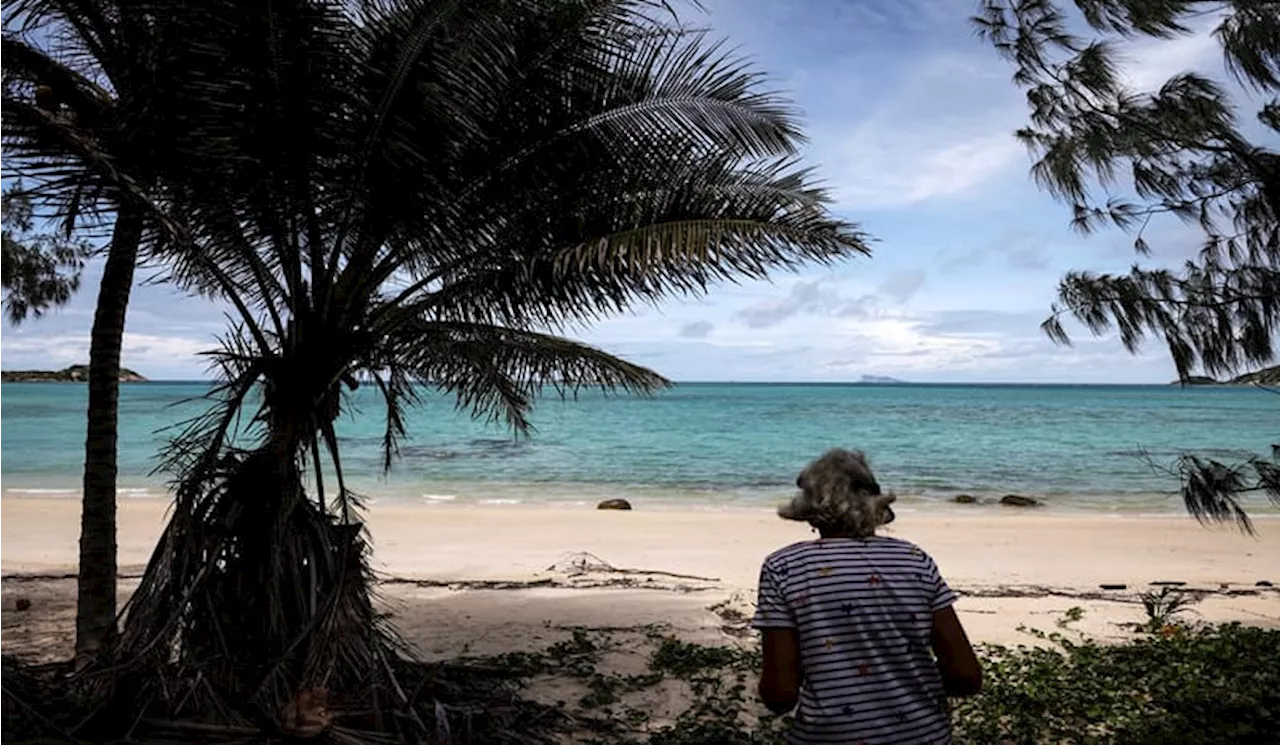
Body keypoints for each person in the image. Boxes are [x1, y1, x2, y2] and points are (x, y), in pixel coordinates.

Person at [752, 449, 981, 744]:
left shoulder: (784, 567)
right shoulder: (914, 559)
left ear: (810, 509)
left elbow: (779, 696)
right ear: (874, 503)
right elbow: (966, 677)